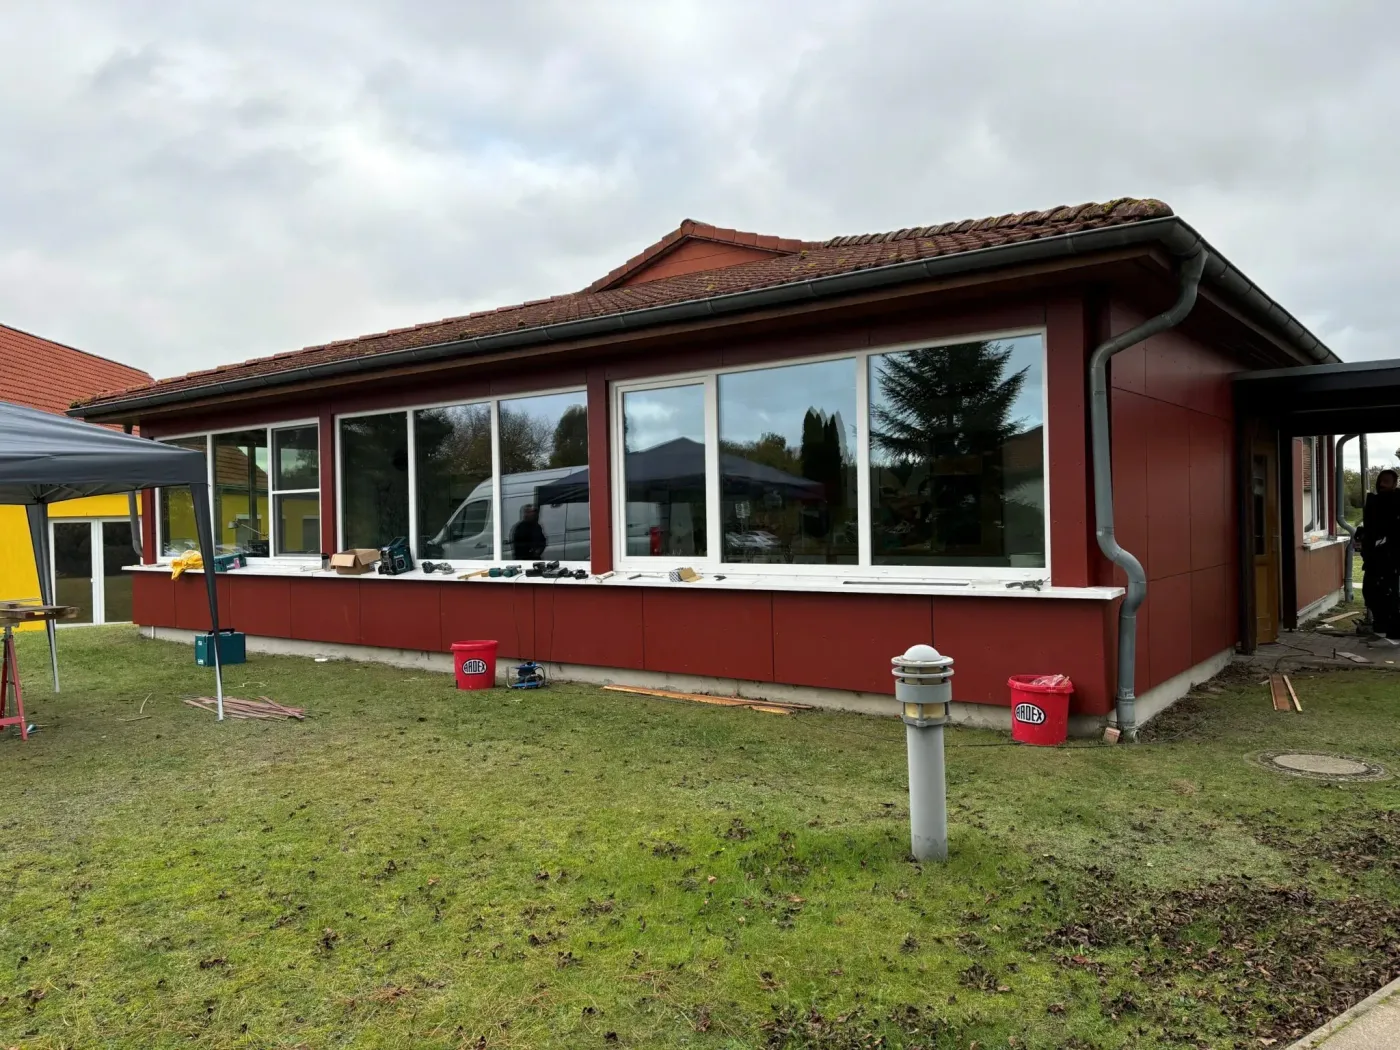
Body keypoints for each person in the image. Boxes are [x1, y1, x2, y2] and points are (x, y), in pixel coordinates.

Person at [1362, 469, 1400, 637]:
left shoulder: (1396, 501)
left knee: (1388, 593)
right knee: (1370, 591)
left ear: (1394, 484)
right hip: (1374, 558)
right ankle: (1380, 626)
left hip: (1390, 558)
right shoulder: (1374, 501)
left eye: (1387, 481)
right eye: (1381, 480)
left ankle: (1390, 629)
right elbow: (1372, 526)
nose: (1382, 484)